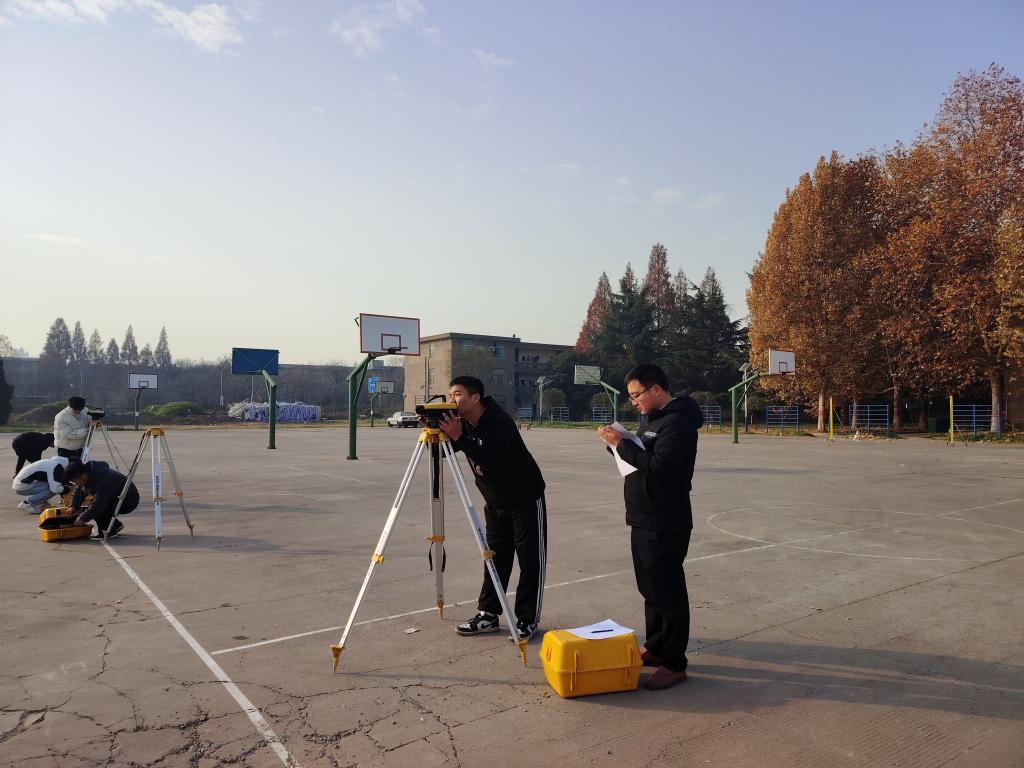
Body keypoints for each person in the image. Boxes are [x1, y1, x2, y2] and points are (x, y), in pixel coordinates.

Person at [597, 363, 703, 691]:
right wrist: (617, 446)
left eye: (636, 395)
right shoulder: (651, 420)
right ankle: (656, 647)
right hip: (643, 516)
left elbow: (660, 467)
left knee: (667, 592)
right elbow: (641, 457)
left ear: (655, 389)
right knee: (650, 589)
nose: (634, 402)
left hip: (665, 519)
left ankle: (674, 662)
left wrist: (623, 444)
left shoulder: (679, 423)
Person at [436, 376, 547, 641]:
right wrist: (436, 433)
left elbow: (491, 459)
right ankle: (488, 614)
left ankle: (527, 620)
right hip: (495, 502)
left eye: (458, 394)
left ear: (475, 398)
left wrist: (459, 436)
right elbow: (442, 454)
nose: (452, 400)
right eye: (450, 395)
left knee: (530, 561)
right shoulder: (462, 424)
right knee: (494, 559)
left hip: (524, 499)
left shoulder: (499, 422)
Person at [64, 459, 139, 539]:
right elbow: (80, 490)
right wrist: (73, 506)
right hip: (114, 497)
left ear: (83, 476)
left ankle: (108, 531)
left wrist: (82, 519)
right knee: (92, 507)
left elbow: (99, 504)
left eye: (73, 481)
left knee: (96, 508)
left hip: (128, 500)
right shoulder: (88, 474)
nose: (74, 483)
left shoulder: (102, 480)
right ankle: (115, 526)